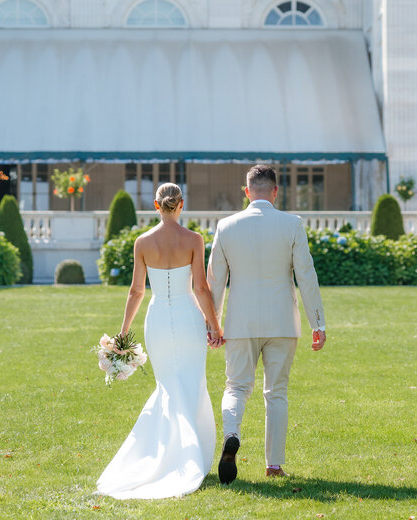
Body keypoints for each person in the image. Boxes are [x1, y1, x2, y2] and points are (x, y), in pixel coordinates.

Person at [96, 183, 224, 499]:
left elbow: (136, 291)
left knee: (168, 386)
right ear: (181, 204)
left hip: (157, 322)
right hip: (187, 319)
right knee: (192, 385)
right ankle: (188, 457)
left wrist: (123, 334)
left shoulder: (142, 242)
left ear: (156, 205)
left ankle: (168, 456)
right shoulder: (194, 239)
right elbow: (201, 289)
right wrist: (215, 326)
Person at [207, 164, 326, 482]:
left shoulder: (226, 226)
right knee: (277, 393)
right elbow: (306, 276)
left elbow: (215, 281)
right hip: (282, 323)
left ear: (246, 192)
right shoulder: (292, 224)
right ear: (275, 191)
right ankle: (274, 465)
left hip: (240, 322)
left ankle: (231, 434)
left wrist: (212, 324)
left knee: (236, 387)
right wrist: (318, 322)